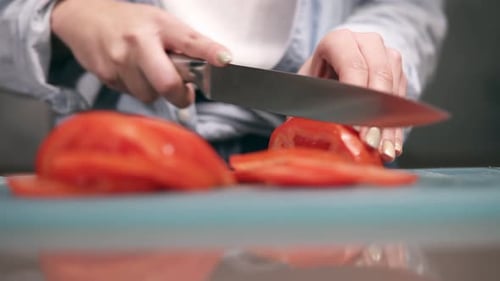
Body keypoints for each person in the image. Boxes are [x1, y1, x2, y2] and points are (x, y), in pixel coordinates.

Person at [0, 0, 447, 162]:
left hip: (321, 217)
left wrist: (376, 49)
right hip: (110, 204)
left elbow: (410, 6)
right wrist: (63, 13)